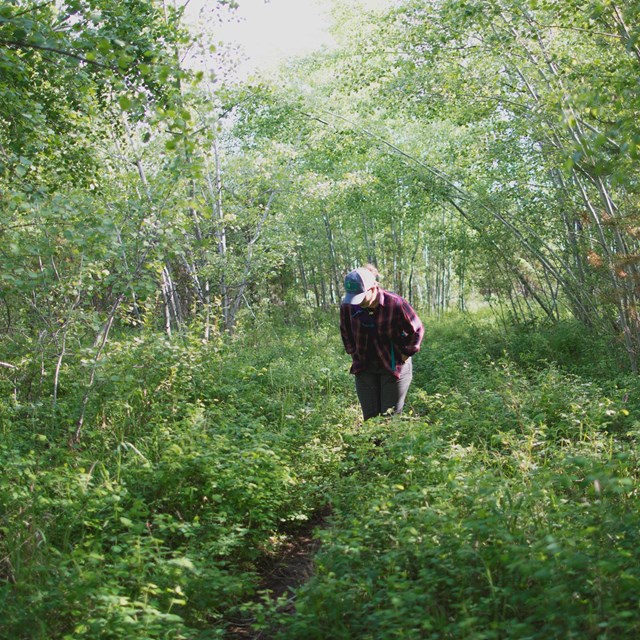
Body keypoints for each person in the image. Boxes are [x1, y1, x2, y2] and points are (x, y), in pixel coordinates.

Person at [340, 265, 424, 420]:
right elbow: (345, 330)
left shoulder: (395, 304)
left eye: (360, 296)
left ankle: (390, 444)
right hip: (365, 367)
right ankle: (373, 445)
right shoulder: (348, 305)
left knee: (389, 418)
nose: (356, 302)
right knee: (371, 418)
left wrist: (405, 355)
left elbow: (417, 330)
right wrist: (353, 352)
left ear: (373, 288)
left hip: (393, 366)